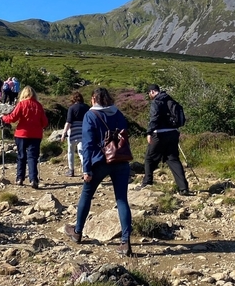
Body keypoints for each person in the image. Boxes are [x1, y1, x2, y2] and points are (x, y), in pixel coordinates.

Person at [64, 87, 133, 256]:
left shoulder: (91, 115)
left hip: (98, 161)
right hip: (121, 161)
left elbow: (87, 144)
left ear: (94, 99)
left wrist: (86, 168)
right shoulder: (118, 114)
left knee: (86, 195)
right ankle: (125, 241)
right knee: (122, 199)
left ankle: (78, 231)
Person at [141, 84, 190, 195]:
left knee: (149, 158)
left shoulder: (156, 102)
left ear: (153, 91)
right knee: (173, 159)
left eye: (149, 93)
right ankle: (184, 188)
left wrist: (149, 132)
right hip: (173, 133)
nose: (149, 95)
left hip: (159, 134)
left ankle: (146, 183)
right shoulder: (171, 100)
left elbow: (154, 117)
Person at [1, 86, 48, 188]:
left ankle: (20, 178)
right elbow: (44, 122)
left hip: (21, 134)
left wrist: (4, 118)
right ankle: (33, 179)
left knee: (21, 156)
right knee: (33, 157)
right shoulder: (38, 105)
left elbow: (13, 118)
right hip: (36, 135)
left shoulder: (21, 104)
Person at [60, 91, 90, 177]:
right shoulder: (87, 107)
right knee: (82, 152)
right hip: (84, 131)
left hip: (73, 132)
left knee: (71, 151)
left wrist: (64, 133)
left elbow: (68, 122)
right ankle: (85, 171)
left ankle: (71, 170)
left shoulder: (72, 108)